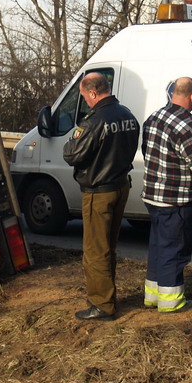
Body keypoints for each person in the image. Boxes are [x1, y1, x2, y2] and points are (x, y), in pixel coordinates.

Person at [62, 72, 140, 320]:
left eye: (85, 96)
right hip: (120, 185)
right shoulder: (127, 114)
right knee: (109, 246)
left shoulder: (94, 121)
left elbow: (72, 154)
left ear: (93, 93)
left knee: (95, 250)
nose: (85, 101)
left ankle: (102, 305)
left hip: (99, 191)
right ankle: (108, 296)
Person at [141, 77, 192, 313]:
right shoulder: (186, 124)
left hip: (153, 195)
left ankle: (152, 296)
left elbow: (146, 151)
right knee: (174, 250)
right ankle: (171, 302)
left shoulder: (153, 117)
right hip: (177, 198)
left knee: (158, 247)